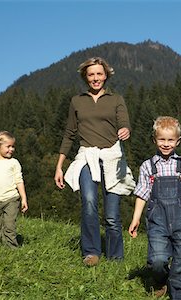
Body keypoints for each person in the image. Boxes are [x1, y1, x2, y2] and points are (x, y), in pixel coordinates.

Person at [54, 57, 135, 267]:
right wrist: (59, 166)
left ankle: (116, 258)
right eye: (91, 74)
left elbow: (125, 123)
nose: (95, 78)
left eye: (99, 74)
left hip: (112, 158)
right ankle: (91, 253)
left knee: (112, 214)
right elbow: (69, 134)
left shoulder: (116, 99)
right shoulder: (77, 101)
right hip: (86, 158)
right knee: (89, 202)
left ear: (106, 75)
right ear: (85, 77)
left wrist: (125, 130)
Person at [129, 116, 181, 299]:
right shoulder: (148, 167)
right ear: (154, 140)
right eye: (161, 139)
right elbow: (142, 193)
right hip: (157, 222)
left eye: (170, 140)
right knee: (157, 260)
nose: (166, 144)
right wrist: (136, 218)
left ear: (177, 141)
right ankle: (160, 280)